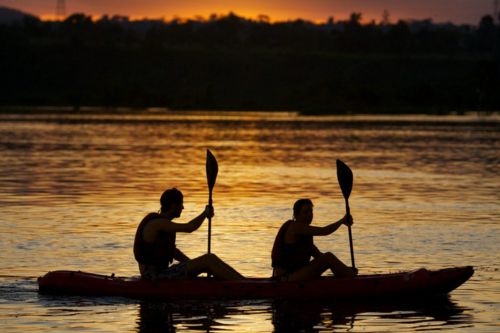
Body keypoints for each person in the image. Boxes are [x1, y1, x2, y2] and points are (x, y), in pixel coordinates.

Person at [134, 188, 245, 280]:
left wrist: (194, 265)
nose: (183, 207)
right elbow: (189, 227)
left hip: (163, 273)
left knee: (210, 259)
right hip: (154, 277)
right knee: (208, 260)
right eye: (181, 204)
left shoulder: (165, 225)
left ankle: (242, 282)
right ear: (173, 206)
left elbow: (172, 252)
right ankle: (243, 286)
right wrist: (204, 214)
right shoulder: (158, 223)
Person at [271, 198, 357, 281]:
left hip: (295, 274)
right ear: (296, 215)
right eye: (305, 212)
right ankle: (354, 280)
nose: (309, 215)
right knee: (328, 257)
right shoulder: (294, 227)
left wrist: (343, 268)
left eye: (311, 211)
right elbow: (324, 231)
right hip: (285, 277)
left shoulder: (306, 235)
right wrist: (342, 221)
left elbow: (319, 256)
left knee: (328, 258)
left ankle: (350, 276)